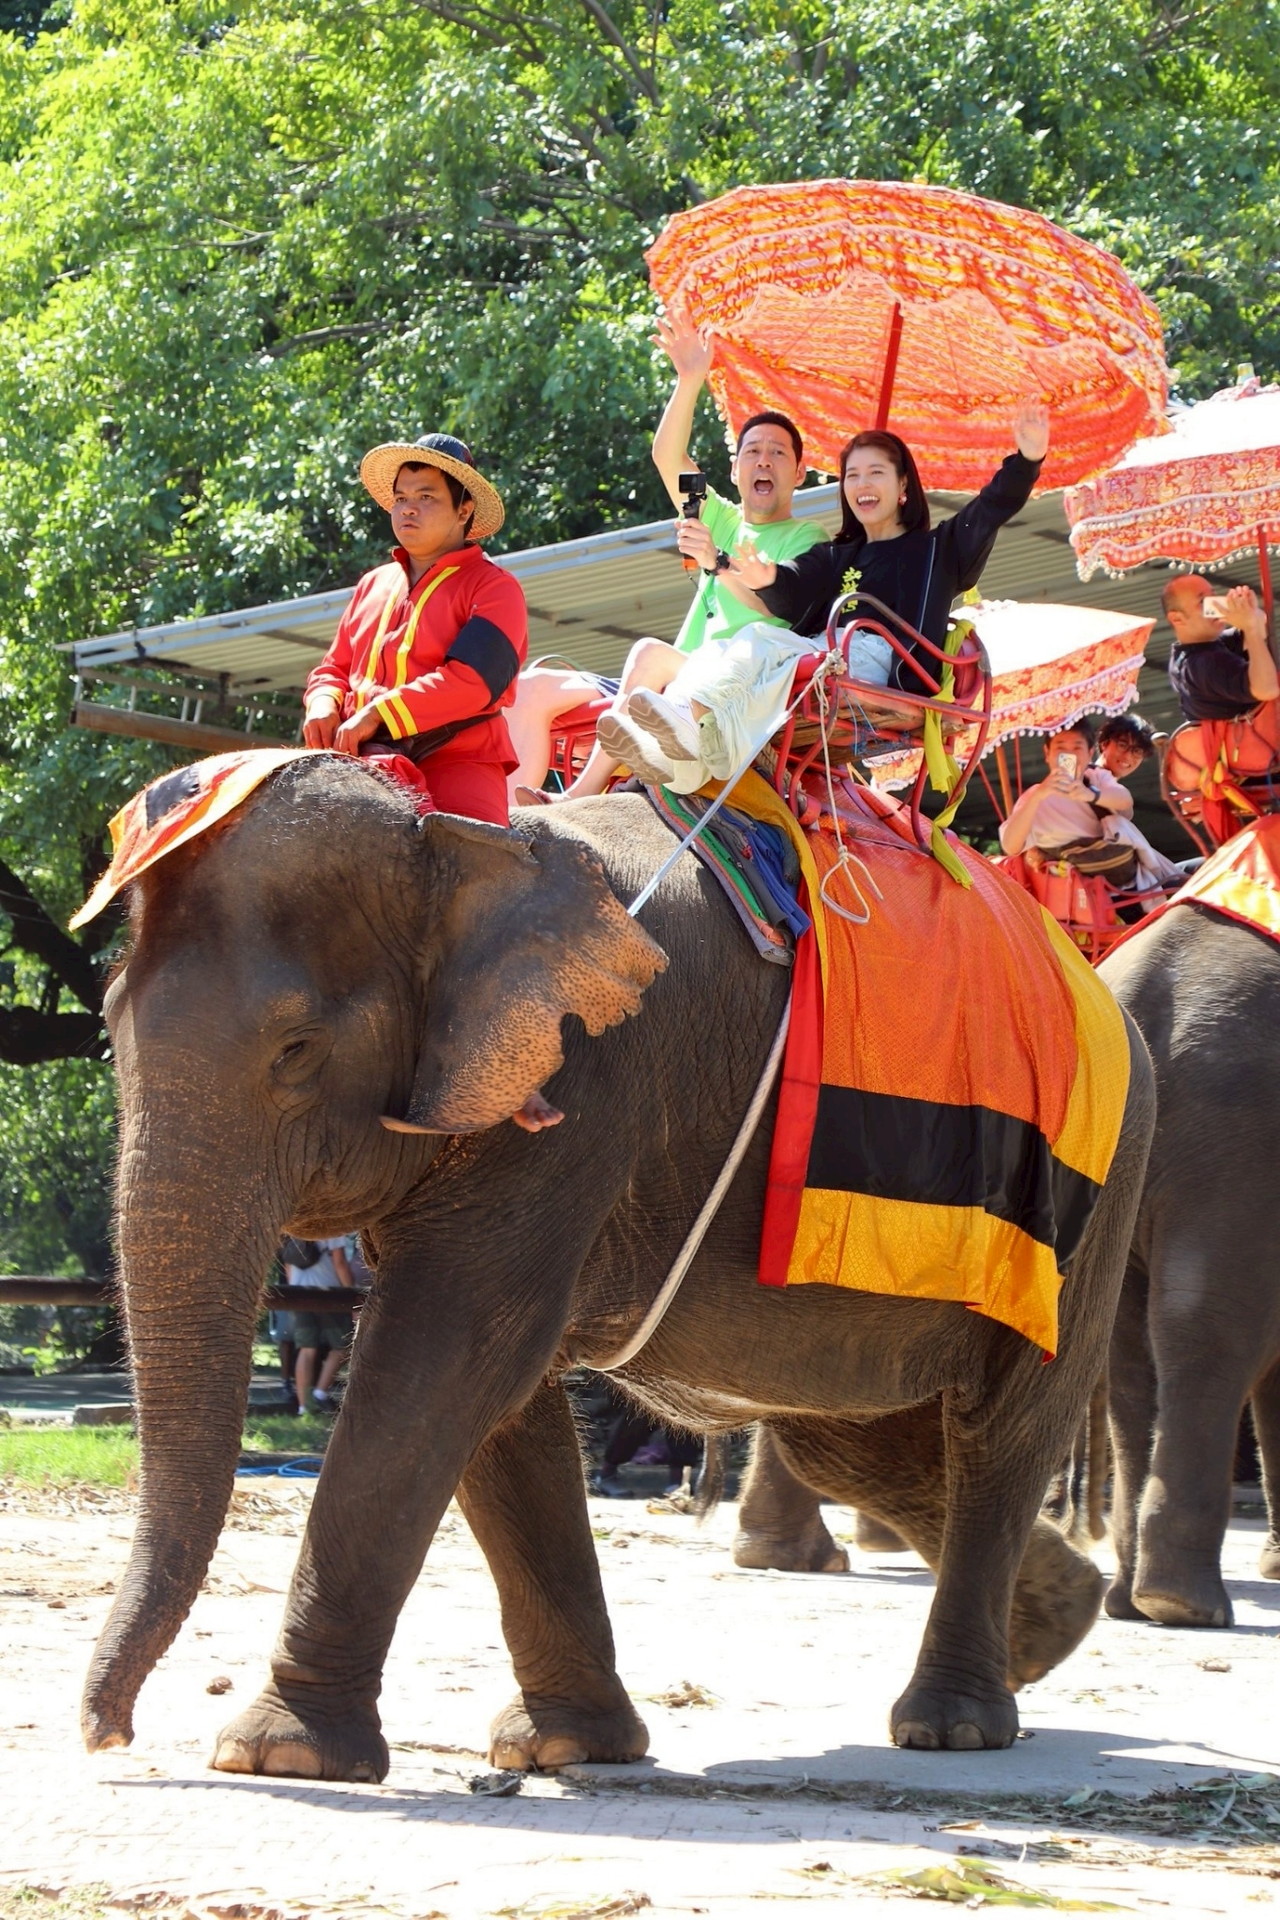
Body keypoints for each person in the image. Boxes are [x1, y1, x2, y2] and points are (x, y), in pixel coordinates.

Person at [604, 407, 1049, 793]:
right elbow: (794, 585)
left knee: (762, 640)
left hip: (879, 662)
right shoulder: (838, 554)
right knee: (757, 659)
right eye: (852, 475)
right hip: (827, 655)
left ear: (904, 487)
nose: (862, 484)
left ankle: (689, 715)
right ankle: (689, 756)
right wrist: (758, 575)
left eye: (876, 472)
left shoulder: (938, 549)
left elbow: (988, 510)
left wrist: (1027, 461)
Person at [511, 313, 825, 800]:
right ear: (735, 468)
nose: (764, 460)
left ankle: (579, 795)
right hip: (674, 669)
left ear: (801, 473)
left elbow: (783, 606)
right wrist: (690, 378)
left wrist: (719, 562)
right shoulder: (719, 515)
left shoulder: (808, 535)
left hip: (722, 681)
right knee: (530, 687)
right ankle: (508, 814)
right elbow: (667, 456)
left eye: (778, 454)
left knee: (646, 653)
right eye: (753, 452)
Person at [303, 433, 528, 827]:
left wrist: (377, 712)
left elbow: (473, 682)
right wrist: (322, 704)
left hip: (458, 759)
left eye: (426, 497)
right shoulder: (373, 584)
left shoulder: (495, 587)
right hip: (358, 757)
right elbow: (333, 669)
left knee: (480, 871)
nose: (408, 510)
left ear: (464, 510)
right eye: (401, 498)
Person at [1165, 578, 1279, 722]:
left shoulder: (1190, 653)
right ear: (1177, 619)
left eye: (1214, 596)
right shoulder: (1202, 664)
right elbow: (1267, 689)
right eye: (1203, 602)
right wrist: (1250, 628)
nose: (1215, 605)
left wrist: (1248, 609)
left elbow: (1259, 629)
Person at [285, 1234, 357, 1416]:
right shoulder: (331, 1227)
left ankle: (303, 1407)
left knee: (306, 1349)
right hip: (328, 1295)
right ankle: (320, 1392)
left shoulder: (293, 1229)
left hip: (298, 1294)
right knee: (344, 1345)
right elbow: (339, 1262)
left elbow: (287, 1264)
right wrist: (352, 1296)